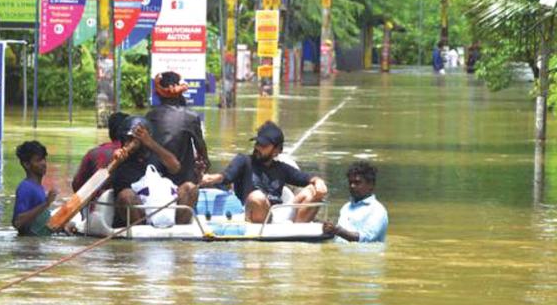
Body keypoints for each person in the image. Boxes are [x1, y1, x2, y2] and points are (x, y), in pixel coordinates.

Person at [200, 121, 328, 223]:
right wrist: (210, 178)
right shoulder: (244, 161)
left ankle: (297, 236)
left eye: (263, 145)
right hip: (254, 212)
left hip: (278, 214)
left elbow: (305, 177)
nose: (257, 147)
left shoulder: (282, 168)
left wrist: (318, 181)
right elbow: (226, 176)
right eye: (257, 143)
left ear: (277, 150)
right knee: (257, 197)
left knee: (313, 190)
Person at [110, 116, 199, 226]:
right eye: (126, 139)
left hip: (162, 208)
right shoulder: (118, 158)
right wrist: (115, 162)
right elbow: (105, 178)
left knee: (190, 188)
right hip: (137, 213)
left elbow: (175, 167)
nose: (128, 143)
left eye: (132, 139)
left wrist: (150, 143)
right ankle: (140, 235)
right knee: (126, 195)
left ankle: (179, 232)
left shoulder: (157, 155)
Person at [146, 71, 210, 188]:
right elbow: (201, 147)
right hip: (182, 180)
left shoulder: (150, 116)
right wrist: (206, 164)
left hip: (154, 177)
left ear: (158, 94)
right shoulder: (191, 116)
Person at [322, 160, 388, 243]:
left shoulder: (378, 210)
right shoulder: (346, 207)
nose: (352, 186)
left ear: (371, 185)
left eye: (357, 182)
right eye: (350, 182)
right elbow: (338, 237)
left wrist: (337, 231)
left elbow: (366, 238)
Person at [71, 111, 129, 192]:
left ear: (110, 132)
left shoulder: (93, 153)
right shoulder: (141, 153)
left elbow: (77, 185)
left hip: (99, 201)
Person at [12, 141, 57, 236]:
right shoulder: (26, 187)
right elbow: (17, 222)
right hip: (28, 246)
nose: (44, 163)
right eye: (38, 160)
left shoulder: (38, 187)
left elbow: (39, 221)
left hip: (37, 243)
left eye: (44, 159)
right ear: (26, 164)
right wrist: (46, 203)